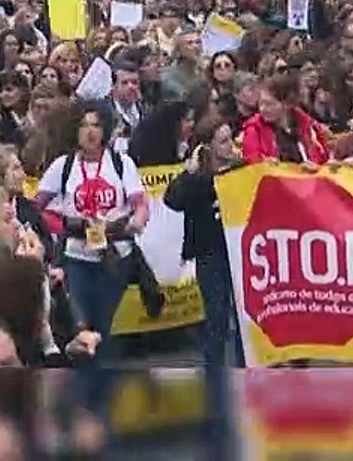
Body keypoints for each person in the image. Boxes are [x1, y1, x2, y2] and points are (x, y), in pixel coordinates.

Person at [35, 101, 147, 365]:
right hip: (77, 257)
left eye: (96, 125)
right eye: (84, 125)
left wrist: (136, 221)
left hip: (115, 256)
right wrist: (67, 223)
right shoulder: (63, 166)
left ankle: (102, 391)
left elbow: (139, 203)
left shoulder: (121, 163)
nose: (90, 131)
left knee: (105, 327)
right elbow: (36, 206)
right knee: (81, 328)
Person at [165, 120, 242, 366]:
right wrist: (189, 171)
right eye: (223, 141)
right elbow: (172, 200)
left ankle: (245, 369)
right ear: (208, 146)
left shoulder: (241, 169)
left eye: (231, 139)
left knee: (243, 318)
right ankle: (214, 372)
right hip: (210, 252)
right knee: (216, 316)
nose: (230, 146)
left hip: (240, 251)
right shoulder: (198, 177)